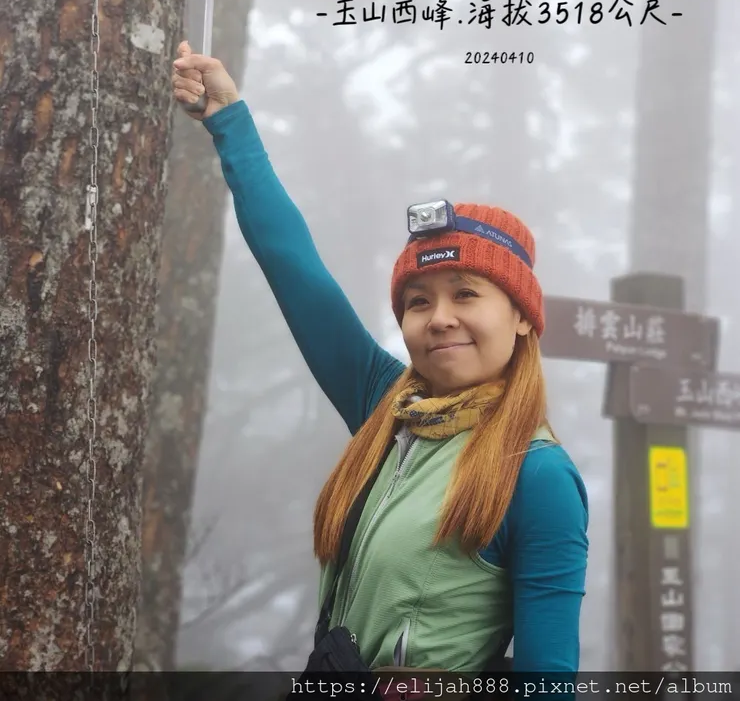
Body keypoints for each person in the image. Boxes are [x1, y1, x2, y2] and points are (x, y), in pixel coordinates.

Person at [172, 41, 589, 680]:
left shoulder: (537, 477)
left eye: (467, 295)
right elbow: (295, 269)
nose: (440, 316)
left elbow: (548, 677)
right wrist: (230, 121)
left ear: (525, 319)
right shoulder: (384, 405)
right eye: (418, 301)